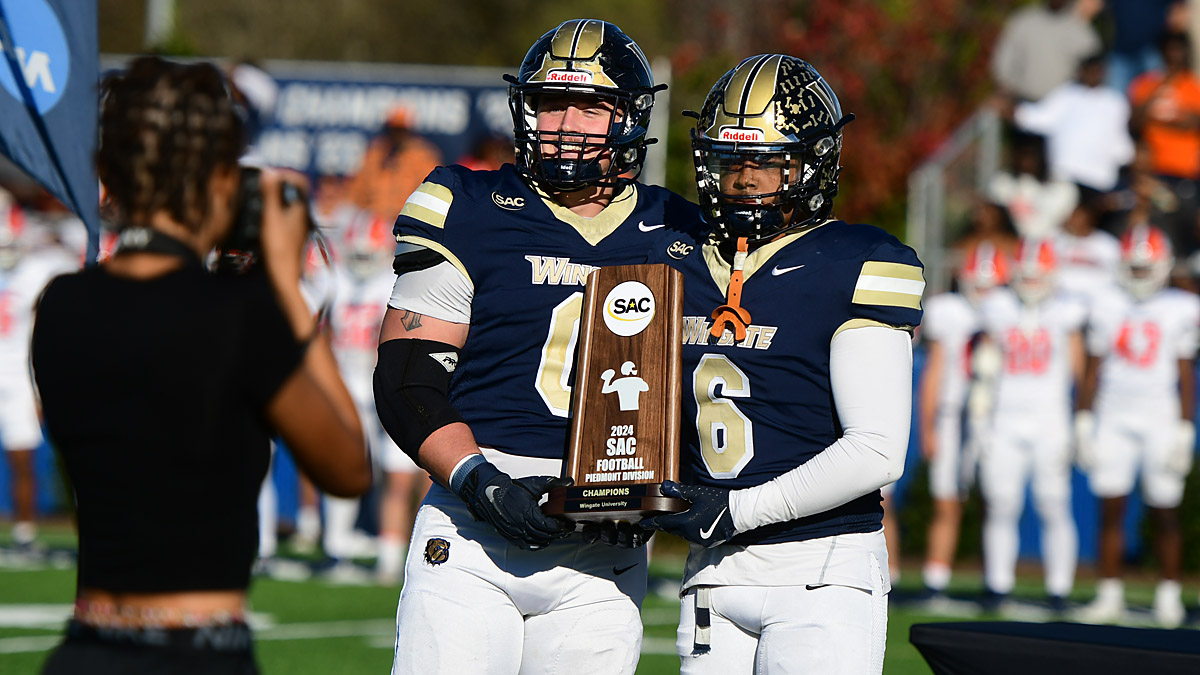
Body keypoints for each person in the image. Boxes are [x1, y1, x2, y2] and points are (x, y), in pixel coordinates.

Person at [373, 20, 700, 675]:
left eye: (590, 106)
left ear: (629, 117)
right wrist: (482, 483)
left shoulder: (682, 231)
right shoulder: (464, 205)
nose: (567, 122)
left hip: (601, 553)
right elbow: (407, 380)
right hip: (471, 532)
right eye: (552, 103)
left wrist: (665, 489)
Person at [31, 56, 370, 674]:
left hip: (84, 649)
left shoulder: (59, 306)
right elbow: (347, 467)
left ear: (107, 175)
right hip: (200, 652)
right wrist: (284, 287)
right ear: (222, 180)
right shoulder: (242, 317)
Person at [639, 54, 922, 674]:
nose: (744, 178)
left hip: (820, 568)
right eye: (729, 159)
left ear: (811, 164)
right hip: (710, 570)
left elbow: (877, 451)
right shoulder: (675, 255)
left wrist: (736, 510)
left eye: (767, 161)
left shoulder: (858, 261)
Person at [1074, 224, 1197, 628]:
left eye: (1147, 268)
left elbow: (1185, 372)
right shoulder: (1106, 302)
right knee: (1110, 508)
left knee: (1165, 510)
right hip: (1113, 415)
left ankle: (1168, 595)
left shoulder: (1180, 306)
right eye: (1135, 267)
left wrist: (1184, 426)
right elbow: (1093, 368)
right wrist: (1084, 420)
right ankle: (1109, 594)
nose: (1140, 274)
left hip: (1159, 416)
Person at [975, 237, 1084, 614]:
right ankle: (997, 586)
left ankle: (1058, 590)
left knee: (1052, 502)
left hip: (1050, 417)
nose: (1032, 282)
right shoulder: (999, 306)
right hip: (1005, 416)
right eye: (1026, 274)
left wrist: (1082, 421)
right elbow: (985, 368)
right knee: (1001, 502)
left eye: (1039, 275)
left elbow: (1080, 368)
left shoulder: (1067, 310)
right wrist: (979, 419)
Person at [331, 213, 430, 584]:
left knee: (403, 474)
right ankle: (370, 552)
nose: (360, 263)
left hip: (386, 385)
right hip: (350, 384)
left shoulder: (396, 284)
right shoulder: (337, 281)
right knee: (366, 467)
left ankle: (412, 553)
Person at [916, 243, 1009, 603]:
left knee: (997, 499)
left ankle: (997, 583)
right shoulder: (949, 311)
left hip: (998, 417)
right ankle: (935, 580)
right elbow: (935, 373)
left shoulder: (1013, 312)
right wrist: (928, 427)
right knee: (946, 499)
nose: (982, 290)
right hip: (953, 413)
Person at [0, 192, 75, 557]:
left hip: (17, 374)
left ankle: (25, 532)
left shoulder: (37, 268)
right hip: (15, 373)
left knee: (23, 458)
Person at [1012, 54, 1136, 201]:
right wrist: (1011, 110)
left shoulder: (1115, 102)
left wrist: (1128, 157)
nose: (1093, 74)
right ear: (1081, 71)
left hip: (1100, 181)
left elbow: (1119, 139)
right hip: (1065, 178)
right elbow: (1038, 119)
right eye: (1089, 70)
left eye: (1097, 70)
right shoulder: (1065, 95)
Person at [1128, 31, 1200, 268]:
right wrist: (1157, 94)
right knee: (1155, 230)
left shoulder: (1194, 87)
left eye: (1179, 50)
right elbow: (1134, 122)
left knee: (1185, 232)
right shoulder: (1146, 84)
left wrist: (1167, 119)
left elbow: (1195, 121)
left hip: (1186, 174)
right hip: (1154, 174)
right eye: (1170, 49)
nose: (1174, 55)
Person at [991, 0, 1101, 103]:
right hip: (1022, 103)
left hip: (1062, 107)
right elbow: (1003, 62)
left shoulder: (1081, 31)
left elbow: (1093, 71)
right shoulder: (1023, 21)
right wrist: (1008, 90)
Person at [346, 106, 443, 221]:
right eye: (393, 130)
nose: (396, 135)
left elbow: (431, 196)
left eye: (400, 130)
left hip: (407, 220)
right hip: (373, 222)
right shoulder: (376, 152)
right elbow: (356, 193)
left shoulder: (423, 156)